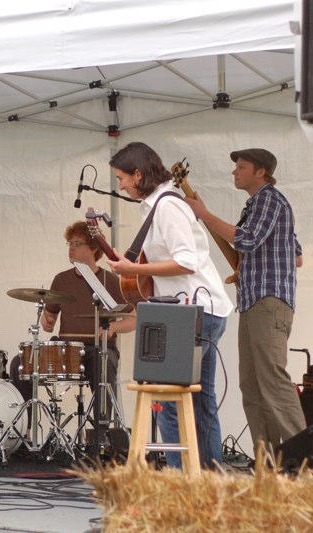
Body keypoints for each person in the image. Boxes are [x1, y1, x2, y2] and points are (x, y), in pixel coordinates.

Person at [106, 142, 233, 469]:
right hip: (201, 311)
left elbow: (187, 262)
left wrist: (134, 269)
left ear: (138, 174)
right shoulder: (157, 205)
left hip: (195, 313)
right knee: (200, 402)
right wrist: (134, 266)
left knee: (168, 397)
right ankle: (207, 478)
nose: (119, 185)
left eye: (121, 178)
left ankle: (182, 480)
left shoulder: (167, 206)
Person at [185, 148, 305, 458]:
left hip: (268, 302)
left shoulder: (269, 200)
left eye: (241, 167)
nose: (234, 172)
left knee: (272, 383)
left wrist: (206, 216)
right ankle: (269, 464)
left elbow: (248, 240)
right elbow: (297, 256)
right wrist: (248, 269)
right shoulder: (258, 205)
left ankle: (304, 464)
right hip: (256, 302)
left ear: (260, 172)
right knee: (252, 388)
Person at [9, 221, 135, 436]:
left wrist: (112, 327)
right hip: (66, 349)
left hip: (97, 348)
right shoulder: (61, 279)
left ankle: (101, 435)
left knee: (103, 363)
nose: (71, 247)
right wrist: (47, 320)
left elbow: (134, 318)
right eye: (69, 243)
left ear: (94, 248)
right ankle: (26, 430)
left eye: (77, 243)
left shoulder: (110, 280)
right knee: (20, 363)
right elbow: (50, 316)